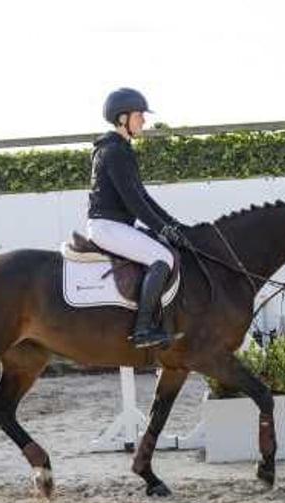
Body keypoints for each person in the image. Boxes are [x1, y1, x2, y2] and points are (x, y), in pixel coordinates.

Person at [87, 87, 192, 349]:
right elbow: (134, 202)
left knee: (164, 250)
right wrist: (163, 229)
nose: (144, 120)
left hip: (114, 225)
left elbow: (143, 196)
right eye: (139, 115)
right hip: (107, 225)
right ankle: (143, 328)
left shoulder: (120, 148)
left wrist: (173, 224)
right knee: (163, 257)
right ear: (122, 118)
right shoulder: (114, 151)